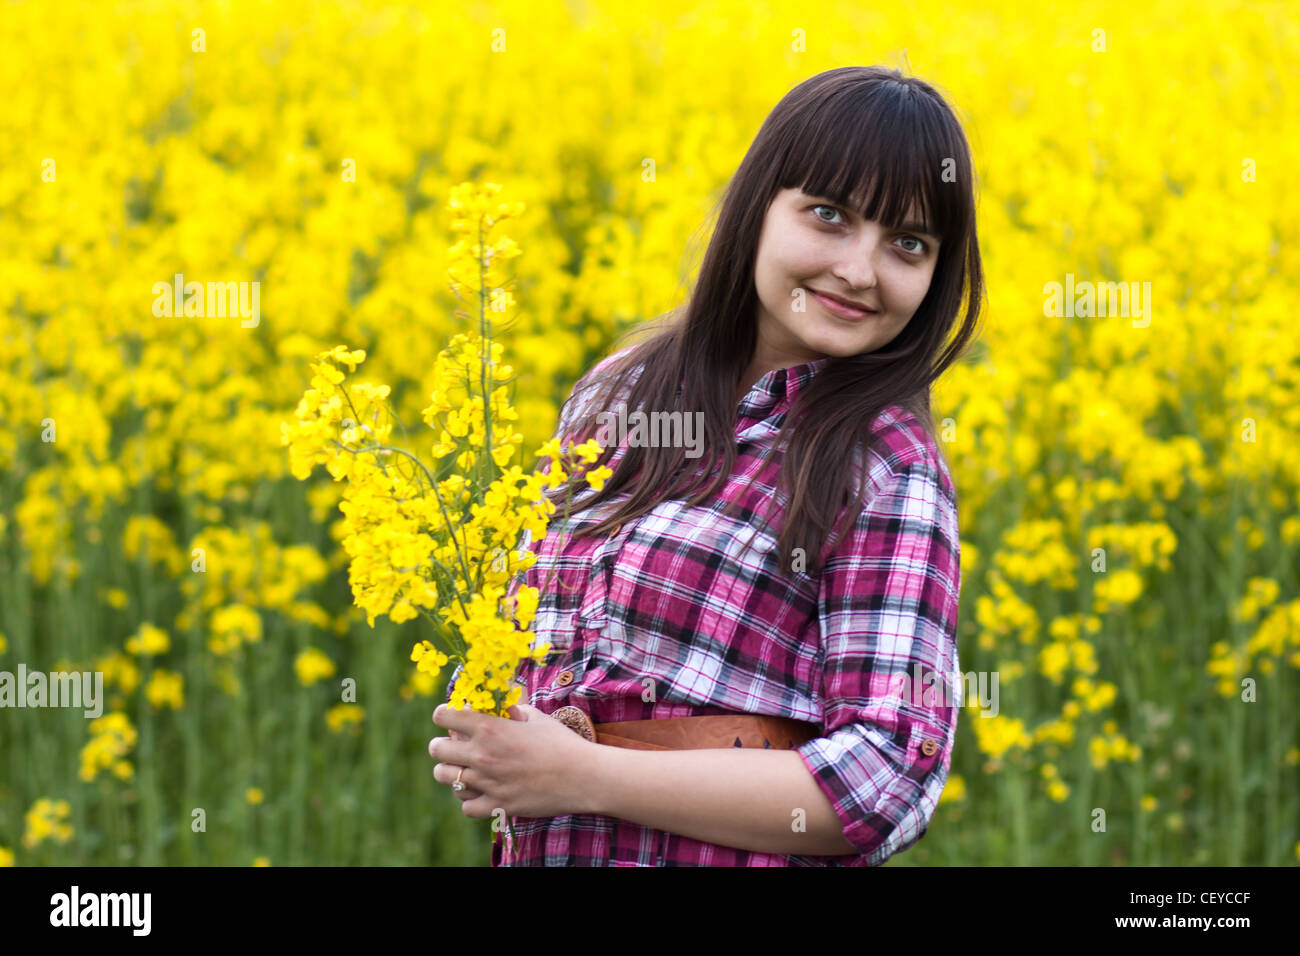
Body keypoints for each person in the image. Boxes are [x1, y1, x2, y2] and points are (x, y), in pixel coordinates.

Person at [428, 63, 984, 866]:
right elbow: (528, 647)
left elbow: (887, 775)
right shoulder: (615, 394)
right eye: (828, 216)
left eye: (907, 243)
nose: (861, 271)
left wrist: (587, 775)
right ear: (756, 209)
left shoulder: (886, 468)